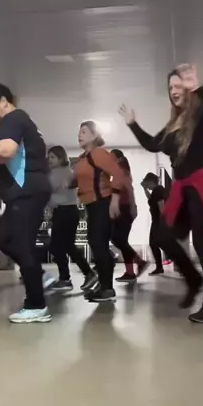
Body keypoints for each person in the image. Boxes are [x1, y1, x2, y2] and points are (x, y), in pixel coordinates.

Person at [119, 63, 203, 323]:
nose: (174, 90)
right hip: (183, 188)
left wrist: (198, 87)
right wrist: (132, 124)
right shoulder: (174, 123)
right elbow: (152, 144)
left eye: (178, 85)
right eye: (171, 87)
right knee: (163, 236)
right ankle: (193, 279)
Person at [0, 83, 52, 323]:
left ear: (3, 101)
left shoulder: (13, 118)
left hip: (26, 192)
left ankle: (36, 305)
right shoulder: (21, 120)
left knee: (20, 244)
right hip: (27, 191)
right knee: (2, 237)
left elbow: (7, 151)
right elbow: (14, 156)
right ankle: (38, 275)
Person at [74, 121, 130, 302]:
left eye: (84, 132)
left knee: (98, 244)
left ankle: (107, 289)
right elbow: (81, 181)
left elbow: (118, 174)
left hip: (102, 203)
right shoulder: (83, 158)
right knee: (96, 244)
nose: (79, 135)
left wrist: (115, 200)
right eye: (79, 132)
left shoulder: (99, 153)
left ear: (94, 136)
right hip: (91, 205)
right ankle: (104, 285)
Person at [46, 145, 97, 291]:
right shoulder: (62, 171)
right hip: (65, 212)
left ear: (61, 158)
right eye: (49, 157)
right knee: (66, 246)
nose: (49, 160)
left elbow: (46, 189)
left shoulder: (60, 172)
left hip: (65, 212)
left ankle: (67, 278)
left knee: (57, 246)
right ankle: (85, 274)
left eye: (53, 157)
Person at [109, 149, 150, 283]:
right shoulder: (117, 173)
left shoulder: (122, 172)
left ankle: (138, 263)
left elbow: (130, 191)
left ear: (118, 159)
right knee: (119, 240)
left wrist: (133, 208)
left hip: (125, 209)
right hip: (121, 209)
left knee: (119, 239)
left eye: (112, 158)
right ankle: (131, 271)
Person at [140, 172, 169, 275]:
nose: (147, 185)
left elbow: (161, 205)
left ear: (150, 181)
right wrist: (144, 189)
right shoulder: (157, 191)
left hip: (159, 221)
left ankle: (162, 266)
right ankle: (160, 267)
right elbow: (151, 200)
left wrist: (163, 222)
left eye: (147, 183)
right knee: (156, 244)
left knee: (156, 243)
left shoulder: (158, 190)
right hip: (157, 221)